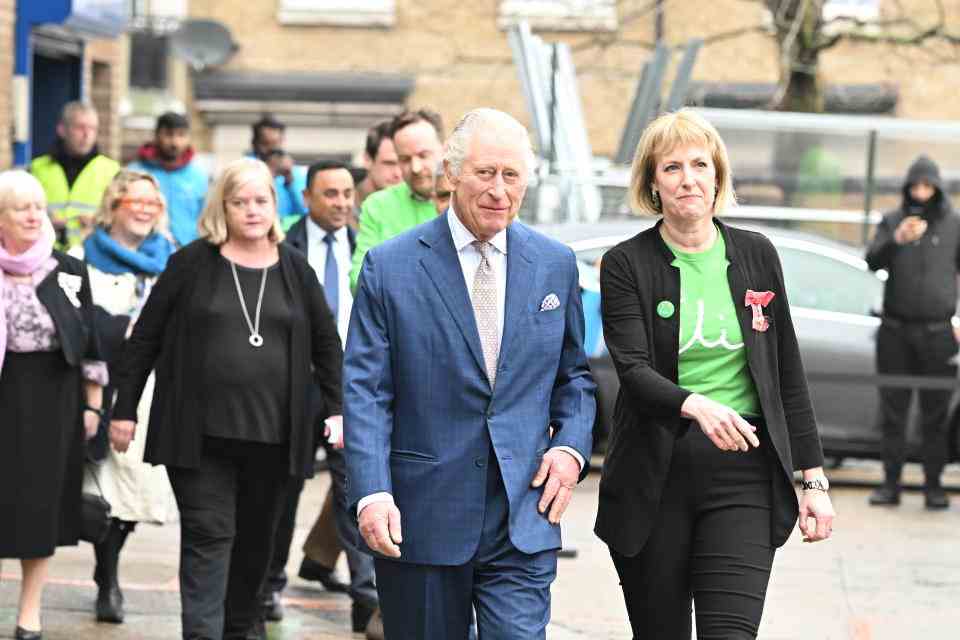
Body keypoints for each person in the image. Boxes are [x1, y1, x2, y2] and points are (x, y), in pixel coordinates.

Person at [345, 108, 596, 638]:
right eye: (485, 173)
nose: (499, 190)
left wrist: (570, 449)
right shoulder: (389, 267)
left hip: (522, 515)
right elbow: (367, 392)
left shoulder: (554, 263)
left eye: (511, 176)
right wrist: (372, 492)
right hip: (421, 517)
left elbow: (573, 377)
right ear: (452, 173)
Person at [594, 109, 835, 640]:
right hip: (655, 476)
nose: (689, 179)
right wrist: (696, 405)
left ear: (718, 175)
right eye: (672, 167)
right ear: (652, 184)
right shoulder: (625, 264)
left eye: (700, 164)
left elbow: (786, 372)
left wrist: (813, 479)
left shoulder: (756, 255)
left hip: (745, 475)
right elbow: (631, 369)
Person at [108, 158, 343, 640]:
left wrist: (339, 409)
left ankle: (240, 629)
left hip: (276, 439)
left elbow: (326, 345)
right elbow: (145, 339)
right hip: (200, 437)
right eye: (240, 202)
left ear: (275, 206)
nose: (251, 211)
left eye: (260, 201)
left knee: (257, 544)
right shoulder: (192, 263)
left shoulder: (295, 268)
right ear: (223, 206)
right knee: (209, 536)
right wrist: (124, 410)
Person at [266, 161, 381, 637]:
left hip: (346, 385)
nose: (340, 203)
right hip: (292, 385)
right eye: (329, 194)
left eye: (346, 194)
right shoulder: (281, 247)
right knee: (282, 488)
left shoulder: (365, 246)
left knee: (354, 488)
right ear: (308, 197)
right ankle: (269, 583)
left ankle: (366, 596)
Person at [0, 169, 106, 640]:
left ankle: (30, 611)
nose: (33, 214)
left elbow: (90, 345)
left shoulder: (67, 271)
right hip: (6, 390)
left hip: (50, 400)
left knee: (39, 507)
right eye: (21, 207)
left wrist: (93, 406)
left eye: (38, 206)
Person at [70, 170, 178, 624]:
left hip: (152, 392)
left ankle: (107, 569)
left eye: (152, 203)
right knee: (102, 488)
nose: (144, 210)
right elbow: (71, 324)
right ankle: (107, 577)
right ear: (113, 206)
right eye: (134, 201)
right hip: (98, 385)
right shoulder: (81, 258)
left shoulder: (171, 259)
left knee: (135, 489)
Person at [865, 155, 960, 510]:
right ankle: (890, 484)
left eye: (927, 187)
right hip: (895, 333)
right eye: (915, 187)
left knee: (935, 415)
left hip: (938, 334)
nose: (921, 193)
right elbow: (871, 260)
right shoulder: (892, 221)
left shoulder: (954, 224)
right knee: (893, 413)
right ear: (907, 189)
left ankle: (933, 486)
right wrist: (897, 239)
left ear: (937, 189)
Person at [349, 109, 444, 291]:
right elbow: (359, 279)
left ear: (445, 150)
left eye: (423, 155)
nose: (415, 168)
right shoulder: (378, 206)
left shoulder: (468, 200)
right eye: (405, 159)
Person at [30, 101, 120, 250]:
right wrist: (44, 221)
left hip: (93, 254)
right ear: (62, 130)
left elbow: (121, 219)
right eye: (80, 127)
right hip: (45, 253)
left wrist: (98, 222)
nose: (86, 134)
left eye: (92, 128)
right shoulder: (37, 168)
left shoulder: (111, 170)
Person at [128, 112, 209, 248]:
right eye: (168, 134)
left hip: (186, 254)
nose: (174, 142)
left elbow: (205, 221)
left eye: (181, 135)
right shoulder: (135, 173)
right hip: (142, 251)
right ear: (157, 135)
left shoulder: (198, 176)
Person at [249, 115, 307, 230]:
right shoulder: (246, 169)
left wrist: (290, 182)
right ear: (255, 144)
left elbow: (305, 212)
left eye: (276, 143)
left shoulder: (295, 173)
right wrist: (270, 173)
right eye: (266, 144)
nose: (272, 150)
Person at [355, 120, 403, 208]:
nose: (398, 174)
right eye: (389, 163)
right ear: (367, 160)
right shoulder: (343, 207)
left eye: (403, 162)